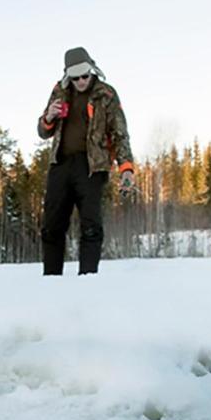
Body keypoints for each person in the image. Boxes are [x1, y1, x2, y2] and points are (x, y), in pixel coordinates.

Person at [36, 47, 136, 275]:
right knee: (51, 226)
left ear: (92, 70)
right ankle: (51, 279)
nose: (81, 81)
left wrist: (126, 168)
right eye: (75, 77)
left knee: (91, 226)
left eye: (85, 76)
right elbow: (43, 131)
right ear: (67, 75)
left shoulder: (106, 94)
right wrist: (48, 117)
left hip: (92, 167)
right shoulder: (59, 91)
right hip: (60, 164)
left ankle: (88, 279)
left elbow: (120, 133)